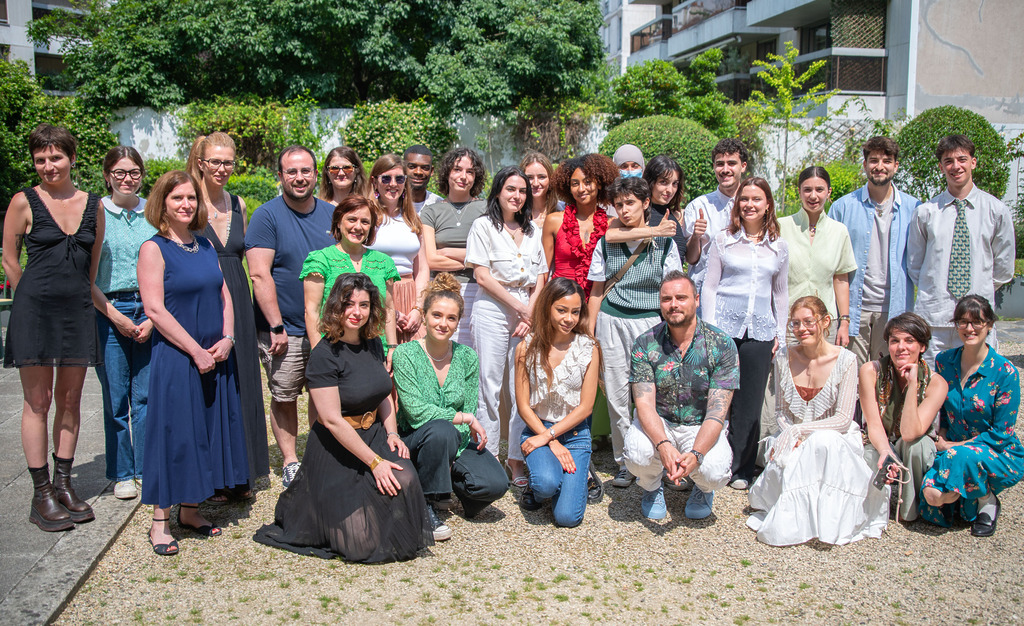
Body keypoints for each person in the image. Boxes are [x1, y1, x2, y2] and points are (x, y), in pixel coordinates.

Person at [253, 273, 433, 562]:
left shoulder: (374, 343)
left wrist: (392, 434)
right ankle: (321, 509)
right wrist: (375, 463)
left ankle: (370, 506)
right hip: (335, 448)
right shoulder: (325, 354)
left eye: (364, 305)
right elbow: (332, 420)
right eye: (349, 304)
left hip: (373, 434)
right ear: (336, 306)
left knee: (408, 479)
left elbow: (383, 394)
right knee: (361, 544)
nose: (357, 312)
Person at [138, 170, 249, 555]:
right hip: (177, 356)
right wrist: (195, 351)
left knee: (204, 429)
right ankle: (160, 522)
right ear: (162, 204)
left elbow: (225, 293)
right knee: (175, 434)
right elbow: (154, 308)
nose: (186, 205)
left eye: (190, 198)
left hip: (214, 352)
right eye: (177, 199)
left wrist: (228, 338)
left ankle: (190, 510)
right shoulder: (153, 248)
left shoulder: (203, 245)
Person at [3, 124, 103, 531]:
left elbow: (92, 262)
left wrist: (81, 297)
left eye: (55, 157)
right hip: (34, 311)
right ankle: (40, 492)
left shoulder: (92, 204)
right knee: (38, 402)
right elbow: (9, 259)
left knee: (71, 398)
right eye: (40, 159)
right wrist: (32, 298)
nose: (48, 166)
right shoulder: (23, 202)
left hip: (77, 309)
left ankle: (64, 483)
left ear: (71, 157)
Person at [747, 297, 888, 546]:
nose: (802, 329)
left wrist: (802, 430)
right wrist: (792, 434)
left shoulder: (846, 360)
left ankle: (827, 521)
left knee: (822, 442)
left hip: (835, 438)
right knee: (786, 462)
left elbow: (844, 419)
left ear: (825, 322)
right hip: (795, 437)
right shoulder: (783, 357)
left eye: (808, 322)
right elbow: (780, 410)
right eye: (795, 324)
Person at [245, 145, 336, 488]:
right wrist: (275, 326)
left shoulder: (332, 214)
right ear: (280, 176)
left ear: (316, 174)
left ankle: (317, 454)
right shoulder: (266, 216)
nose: (299, 178)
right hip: (286, 328)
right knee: (284, 395)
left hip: (327, 327)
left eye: (306, 171)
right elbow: (259, 274)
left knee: (322, 393)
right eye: (291, 172)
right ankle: (291, 461)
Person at [392, 273, 508, 540]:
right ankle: (426, 506)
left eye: (451, 318)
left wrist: (453, 447)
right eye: (436, 315)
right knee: (441, 430)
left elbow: (470, 407)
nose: (443, 323)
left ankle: (442, 484)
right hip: (413, 439)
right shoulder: (405, 354)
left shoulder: (467, 357)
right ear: (424, 315)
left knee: (495, 484)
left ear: (459, 322)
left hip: (452, 442)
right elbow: (415, 412)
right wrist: (462, 418)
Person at [587, 177, 682, 488]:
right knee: (615, 393)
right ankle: (625, 460)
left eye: (630, 203)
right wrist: (590, 331)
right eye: (619, 204)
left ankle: (660, 457)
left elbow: (672, 292)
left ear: (645, 204)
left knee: (656, 393)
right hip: (612, 320)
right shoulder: (606, 243)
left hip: (651, 323)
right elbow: (597, 290)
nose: (624, 209)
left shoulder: (665, 244)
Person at [189, 132, 269, 495]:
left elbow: (247, 255)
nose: (222, 169)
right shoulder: (188, 199)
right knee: (209, 384)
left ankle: (242, 471)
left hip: (237, 292)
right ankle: (209, 474)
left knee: (243, 381)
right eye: (215, 162)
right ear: (202, 163)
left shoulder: (238, 204)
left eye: (228, 162)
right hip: (202, 296)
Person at [623, 272, 737, 521]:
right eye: (666, 299)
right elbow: (644, 405)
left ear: (696, 300)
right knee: (637, 456)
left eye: (681, 297)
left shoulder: (721, 344)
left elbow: (717, 411)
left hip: (700, 424)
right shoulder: (645, 343)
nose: (673, 304)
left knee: (714, 472)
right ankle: (652, 487)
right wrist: (663, 446)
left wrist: (696, 454)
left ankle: (703, 489)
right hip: (660, 421)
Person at [701, 177, 788, 490]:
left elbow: (781, 293)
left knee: (750, 404)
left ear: (767, 205)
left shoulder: (778, 246)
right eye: (745, 199)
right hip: (724, 330)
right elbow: (709, 286)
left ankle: (741, 469)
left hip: (760, 332)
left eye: (757, 199)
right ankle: (710, 462)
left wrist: (781, 332)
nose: (750, 204)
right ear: (738, 204)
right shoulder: (724, 240)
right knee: (718, 400)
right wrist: (708, 329)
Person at [464, 166, 548, 481]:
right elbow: (482, 275)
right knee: (488, 383)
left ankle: (516, 458)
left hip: (526, 310)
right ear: (498, 191)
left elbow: (541, 276)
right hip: (492, 308)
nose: (516, 196)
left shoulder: (532, 231)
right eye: (510, 189)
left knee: (520, 387)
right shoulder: (483, 226)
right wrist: (521, 309)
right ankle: (487, 456)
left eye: (522, 191)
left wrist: (530, 312)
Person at [920, 295, 1024, 536]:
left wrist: (952, 446)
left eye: (977, 322)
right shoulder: (945, 361)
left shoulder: (1005, 373)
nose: (969, 328)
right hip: (951, 447)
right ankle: (968, 498)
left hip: (995, 450)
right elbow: (943, 414)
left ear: (989, 325)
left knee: (960, 459)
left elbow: (1001, 433)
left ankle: (986, 500)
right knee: (931, 499)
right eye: (962, 322)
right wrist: (942, 438)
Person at [908, 134, 1015, 364]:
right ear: (941, 166)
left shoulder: (996, 210)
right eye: (948, 161)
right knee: (931, 385)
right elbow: (915, 265)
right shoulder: (926, 212)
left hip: (977, 320)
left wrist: (979, 286)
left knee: (976, 384)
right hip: (935, 319)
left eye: (962, 159)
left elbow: (1004, 267)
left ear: (973, 162)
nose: (955, 166)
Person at [93, 146, 156, 501]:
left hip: (148, 309)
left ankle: (146, 467)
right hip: (109, 308)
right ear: (107, 176)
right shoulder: (97, 212)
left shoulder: (151, 213)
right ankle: (122, 472)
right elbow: (87, 277)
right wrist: (114, 315)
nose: (127, 178)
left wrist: (150, 316)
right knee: (116, 399)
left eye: (133, 172)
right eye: (119, 172)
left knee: (145, 395)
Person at [514, 278, 600, 527]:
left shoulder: (589, 348)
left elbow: (586, 407)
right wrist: (548, 440)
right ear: (547, 308)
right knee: (546, 484)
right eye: (561, 310)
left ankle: (579, 476)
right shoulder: (525, 348)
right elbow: (523, 406)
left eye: (575, 312)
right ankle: (539, 484)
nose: (569, 318)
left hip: (574, 434)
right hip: (537, 429)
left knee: (567, 518)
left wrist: (550, 437)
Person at [829, 137, 920, 365]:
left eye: (886, 161)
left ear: (896, 166)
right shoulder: (843, 207)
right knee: (852, 377)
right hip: (853, 311)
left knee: (889, 377)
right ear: (865, 165)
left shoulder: (915, 209)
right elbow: (831, 262)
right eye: (873, 160)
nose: (880, 166)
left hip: (895, 308)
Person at [858, 313, 948, 522]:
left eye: (909, 341)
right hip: (879, 439)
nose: (901, 347)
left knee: (919, 447)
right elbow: (873, 422)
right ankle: (876, 508)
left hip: (911, 443)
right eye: (895, 341)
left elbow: (910, 432)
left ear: (922, 347)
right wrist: (885, 453)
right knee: (869, 457)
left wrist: (913, 384)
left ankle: (911, 509)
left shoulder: (937, 384)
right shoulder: (871, 371)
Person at [301, 195, 399, 353]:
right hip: (333, 351)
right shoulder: (320, 260)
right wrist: (319, 353)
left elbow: (388, 309)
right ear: (338, 222)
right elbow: (312, 310)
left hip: (375, 351)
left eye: (365, 222)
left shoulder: (384, 263)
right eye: (352, 219)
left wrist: (392, 347)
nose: (358, 227)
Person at [778, 166, 857, 344]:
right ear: (799, 192)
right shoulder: (781, 227)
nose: (813, 196)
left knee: (824, 371)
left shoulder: (839, 231)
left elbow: (841, 278)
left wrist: (844, 322)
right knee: (788, 371)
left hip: (825, 323)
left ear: (828, 192)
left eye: (819, 189)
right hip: (789, 324)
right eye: (807, 190)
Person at [420, 147, 488, 347]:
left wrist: (448, 252)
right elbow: (432, 260)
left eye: (470, 172)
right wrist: (473, 259)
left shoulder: (486, 209)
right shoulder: (431, 211)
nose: (463, 176)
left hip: (478, 290)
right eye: (457, 170)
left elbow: (491, 257)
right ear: (447, 173)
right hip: (441, 289)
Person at [366, 154, 429, 343]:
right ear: (374, 182)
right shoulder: (366, 217)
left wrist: (418, 309)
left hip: (411, 297)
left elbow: (423, 268)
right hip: (377, 295)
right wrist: (386, 309)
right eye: (386, 178)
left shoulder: (413, 219)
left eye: (399, 179)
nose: (393, 184)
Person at [542, 153, 619, 297]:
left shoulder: (612, 223)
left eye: (587, 182)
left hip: (598, 302)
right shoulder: (553, 221)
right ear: (568, 188)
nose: (581, 189)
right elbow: (543, 271)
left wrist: (655, 231)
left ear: (600, 184)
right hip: (560, 299)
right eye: (575, 184)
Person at [682, 138, 750, 298]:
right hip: (705, 294)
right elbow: (691, 260)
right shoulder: (699, 206)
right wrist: (695, 237)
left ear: (743, 166)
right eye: (720, 164)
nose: (725, 169)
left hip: (742, 294)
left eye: (731, 163)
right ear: (714, 167)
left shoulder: (754, 207)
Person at [520, 151, 565, 225]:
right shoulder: (515, 214)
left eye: (541, 177)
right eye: (530, 178)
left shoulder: (564, 209)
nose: (536, 183)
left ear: (550, 179)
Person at [404, 145, 442, 212]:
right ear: (403, 168)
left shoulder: (439, 205)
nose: (418, 172)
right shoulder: (392, 203)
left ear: (431, 171)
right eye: (412, 167)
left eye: (425, 168)